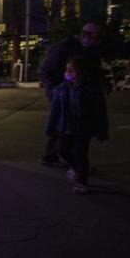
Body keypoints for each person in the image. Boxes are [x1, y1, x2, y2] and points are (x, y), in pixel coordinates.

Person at [38, 23, 103, 166]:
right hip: (61, 90)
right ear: (84, 36)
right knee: (64, 122)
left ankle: (63, 157)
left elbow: (93, 70)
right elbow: (46, 69)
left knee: (72, 124)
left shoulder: (88, 49)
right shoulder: (64, 47)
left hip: (76, 90)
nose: (94, 42)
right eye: (94, 38)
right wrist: (52, 88)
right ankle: (62, 157)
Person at [45, 56, 109, 194]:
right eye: (67, 69)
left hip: (83, 129)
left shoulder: (91, 90)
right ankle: (76, 169)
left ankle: (81, 182)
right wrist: (50, 128)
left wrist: (102, 131)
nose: (67, 72)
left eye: (71, 70)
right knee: (63, 150)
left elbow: (100, 112)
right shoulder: (62, 89)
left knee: (81, 154)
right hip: (65, 127)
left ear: (80, 72)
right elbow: (54, 110)